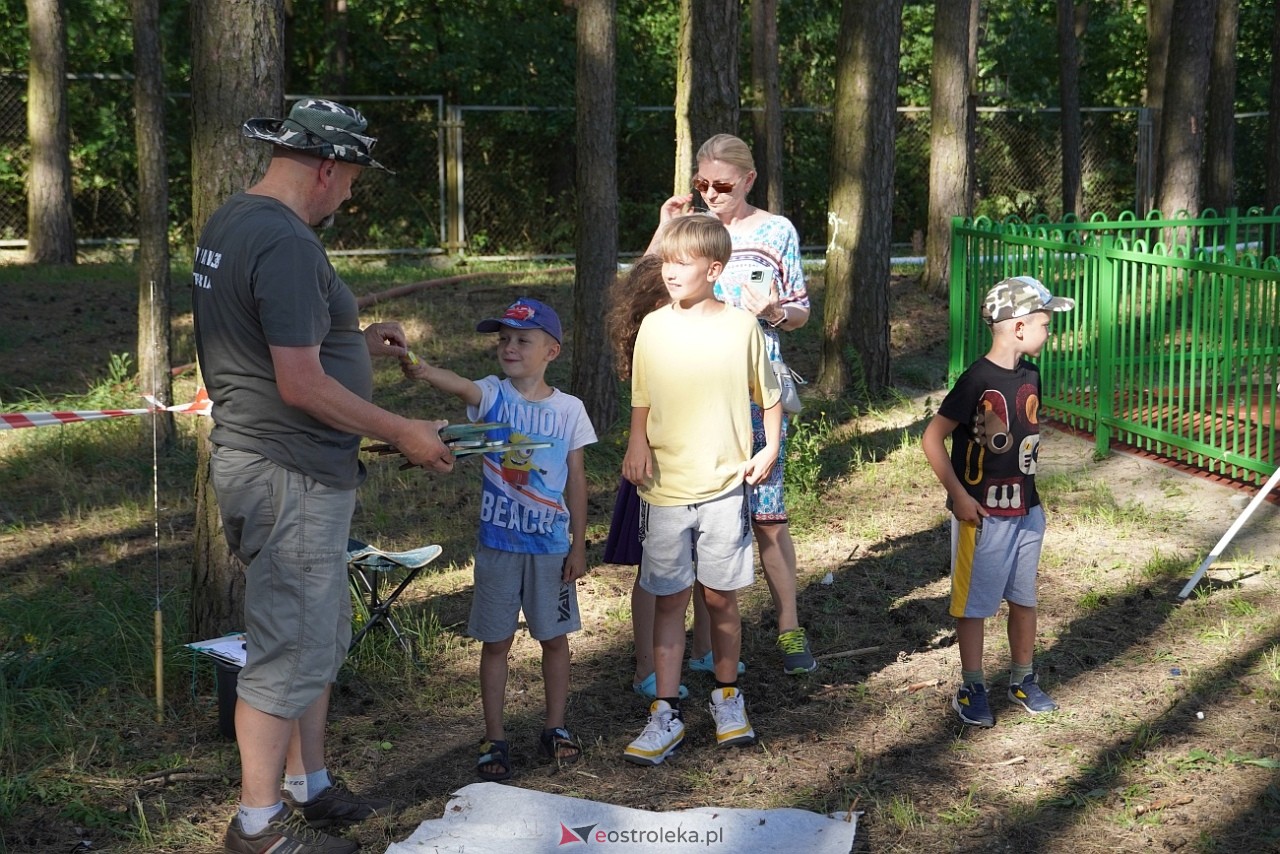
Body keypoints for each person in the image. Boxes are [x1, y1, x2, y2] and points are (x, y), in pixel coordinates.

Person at [193, 98, 455, 854]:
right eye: (351, 180)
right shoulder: (286, 243)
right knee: (288, 648)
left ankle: (309, 786)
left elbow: (267, 335)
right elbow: (300, 384)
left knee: (315, 634)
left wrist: (354, 339)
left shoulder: (233, 221)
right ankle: (259, 827)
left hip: (269, 466)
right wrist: (404, 428)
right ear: (328, 167)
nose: (351, 194)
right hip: (290, 473)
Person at [401, 297, 597, 780]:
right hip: (498, 548)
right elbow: (460, 384)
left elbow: (576, 479)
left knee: (554, 639)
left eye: (522, 339)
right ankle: (495, 738)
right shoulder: (492, 394)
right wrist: (423, 370)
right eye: (503, 339)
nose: (509, 347)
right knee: (497, 642)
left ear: (551, 350)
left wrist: (578, 544)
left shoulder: (570, 410)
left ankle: (555, 727)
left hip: (551, 550)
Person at [646, 133, 816, 675]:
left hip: (755, 394)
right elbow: (644, 286)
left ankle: (789, 627)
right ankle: (704, 649)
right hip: (694, 396)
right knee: (702, 516)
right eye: (702, 184)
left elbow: (800, 311)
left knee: (766, 515)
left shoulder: (775, 232)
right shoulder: (688, 232)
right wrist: (662, 226)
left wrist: (773, 312)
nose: (711, 194)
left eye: (722, 184)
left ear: (748, 180)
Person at [622, 214, 782, 767]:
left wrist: (770, 448)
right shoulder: (653, 327)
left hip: (723, 487)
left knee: (720, 598)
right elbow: (642, 395)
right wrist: (635, 444)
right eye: (666, 261)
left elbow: (770, 393)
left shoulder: (741, 327)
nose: (669, 271)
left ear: (713, 270)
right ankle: (665, 712)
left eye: (682, 263)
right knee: (669, 599)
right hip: (665, 490)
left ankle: (726, 697)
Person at [921, 275, 1074, 728]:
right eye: (1046, 323)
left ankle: (1023, 677)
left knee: (1024, 597)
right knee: (974, 605)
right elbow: (933, 439)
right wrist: (959, 496)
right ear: (1020, 327)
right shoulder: (976, 379)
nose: (1051, 332)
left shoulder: (1031, 373)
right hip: (982, 516)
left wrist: (1033, 505)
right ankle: (972, 686)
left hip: (1026, 510)